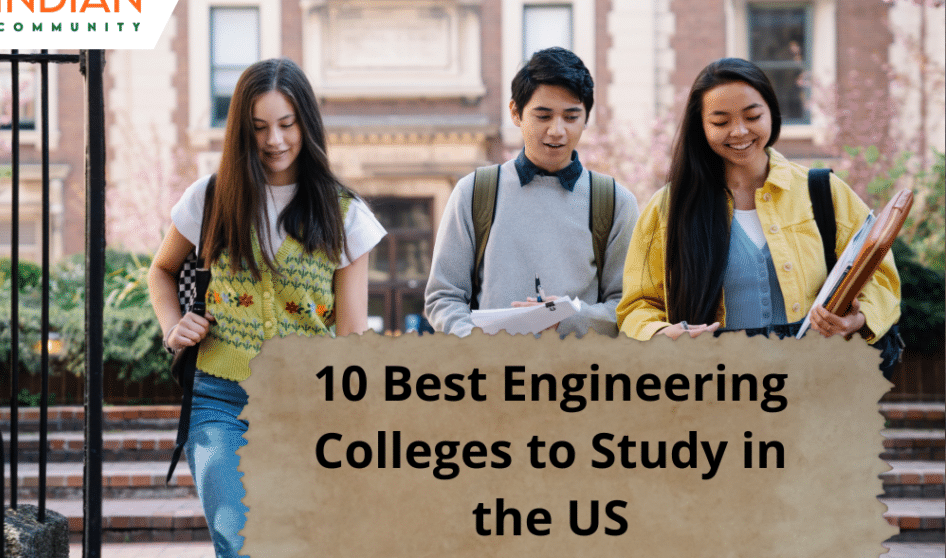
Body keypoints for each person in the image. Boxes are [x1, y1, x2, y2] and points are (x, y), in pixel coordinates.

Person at [147, 58, 385, 558]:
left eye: (286, 124)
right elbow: (162, 271)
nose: (274, 140)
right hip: (220, 400)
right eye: (259, 127)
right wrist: (173, 327)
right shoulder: (211, 198)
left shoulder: (345, 215)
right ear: (240, 130)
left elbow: (351, 336)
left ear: (306, 124)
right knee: (239, 541)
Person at [617, 57, 900, 343]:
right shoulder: (668, 208)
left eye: (752, 117)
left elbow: (880, 276)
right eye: (720, 121)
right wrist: (663, 333)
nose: (739, 131)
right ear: (701, 127)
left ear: (772, 114)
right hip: (718, 380)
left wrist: (858, 319)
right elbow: (637, 307)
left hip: (813, 375)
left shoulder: (824, 191)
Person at [424, 47, 639, 338]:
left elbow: (628, 308)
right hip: (491, 375)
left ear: (586, 117)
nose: (557, 130)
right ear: (515, 112)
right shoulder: (474, 192)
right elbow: (443, 297)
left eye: (571, 117)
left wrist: (567, 316)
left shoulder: (615, 202)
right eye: (543, 116)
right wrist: (475, 343)